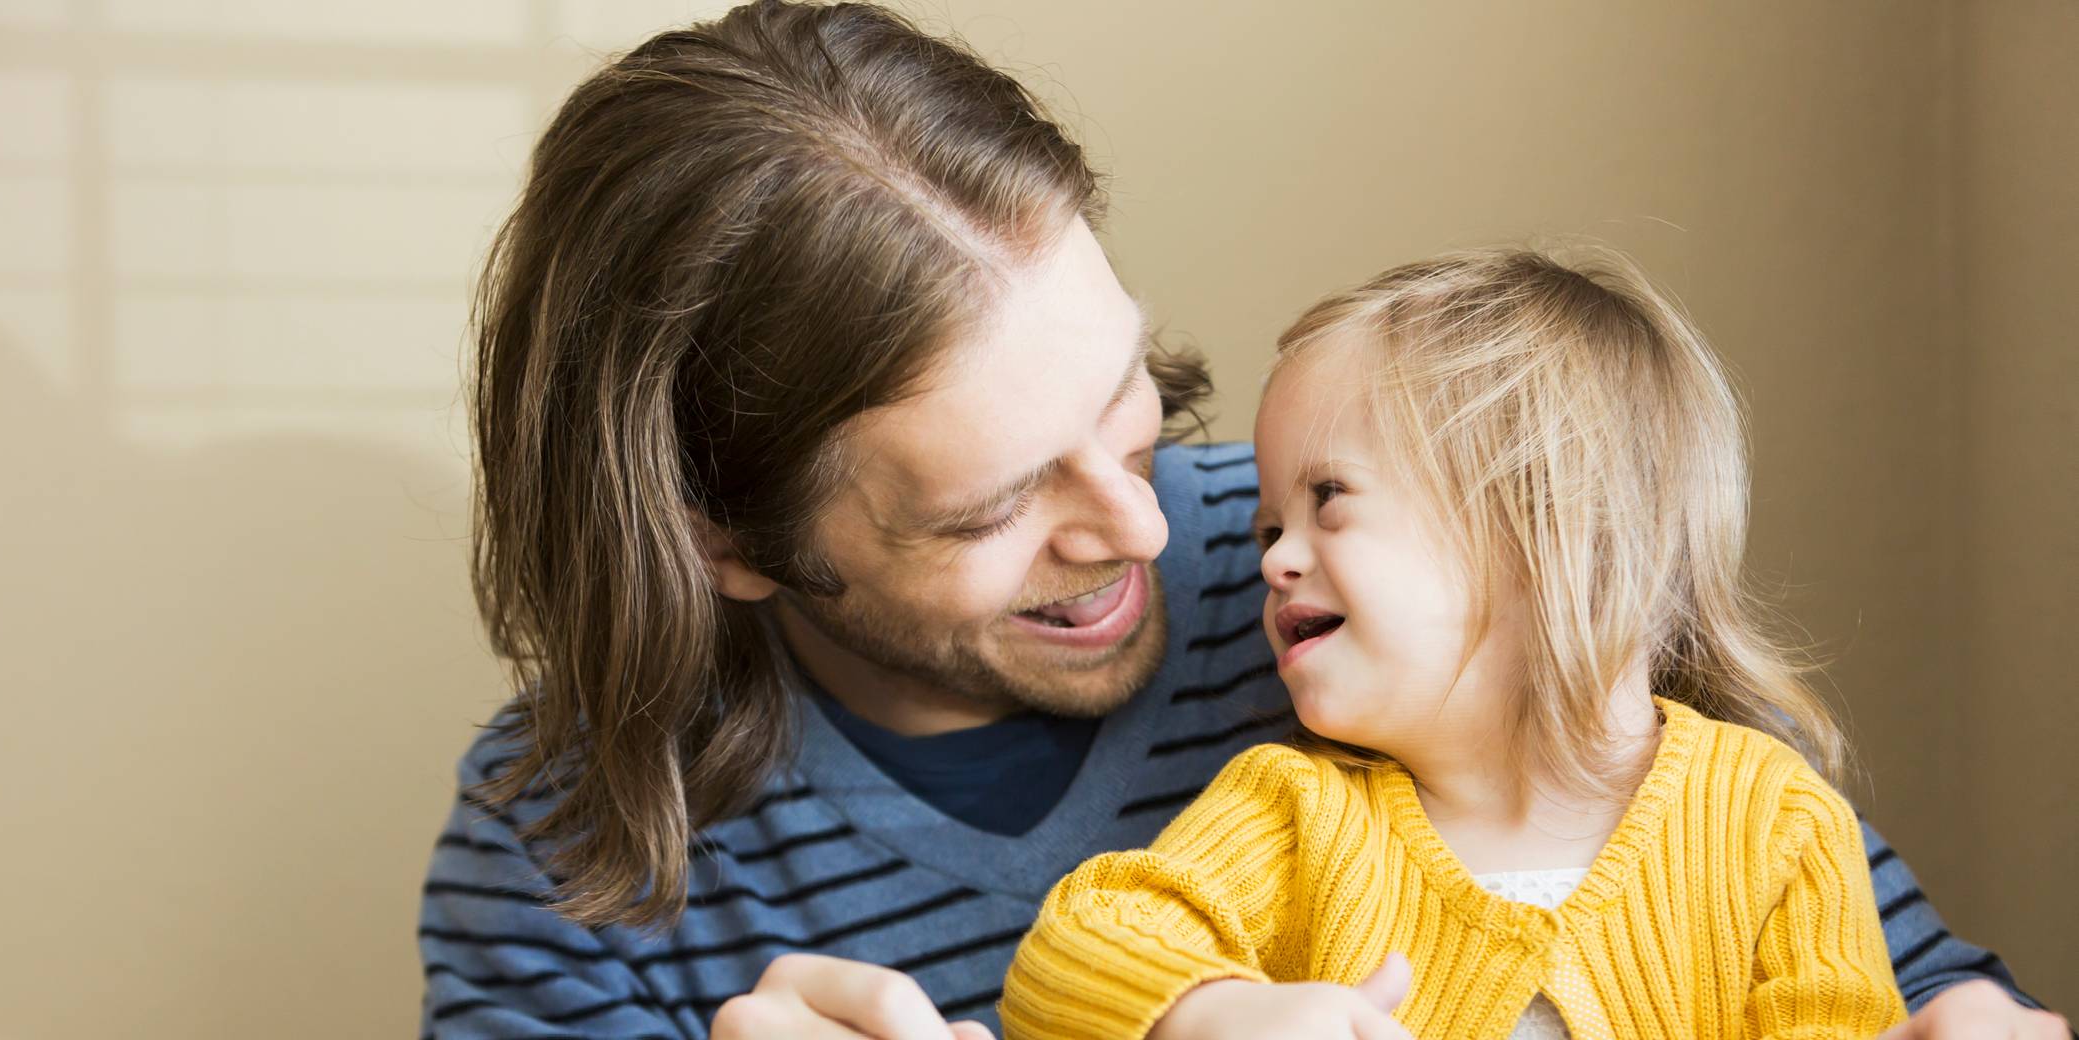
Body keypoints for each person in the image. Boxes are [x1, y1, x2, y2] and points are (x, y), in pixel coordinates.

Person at [416, 3, 2060, 1038]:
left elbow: (1850, 958)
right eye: (1001, 503)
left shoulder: (1384, 589)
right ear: (721, 534)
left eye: (1124, 399)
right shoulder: (564, 848)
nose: (1142, 529)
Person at [1002, 248, 1911, 1039]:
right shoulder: (1291, 813)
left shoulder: (1775, 821)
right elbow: (1075, 947)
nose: (1277, 561)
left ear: (1547, 525)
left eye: (1328, 500)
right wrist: (1208, 1012)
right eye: (1268, 528)